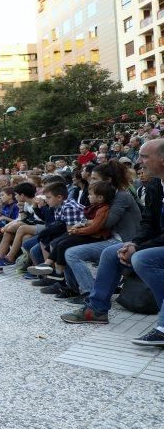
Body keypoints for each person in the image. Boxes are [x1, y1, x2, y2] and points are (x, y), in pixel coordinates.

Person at [61, 138, 164, 347]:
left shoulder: (124, 195)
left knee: (143, 258)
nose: (140, 162)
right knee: (110, 253)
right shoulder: (155, 185)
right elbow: (149, 223)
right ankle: (96, 309)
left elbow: (105, 223)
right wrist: (135, 243)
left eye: (145, 156)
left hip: (150, 244)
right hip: (151, 241)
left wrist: (137, 247)